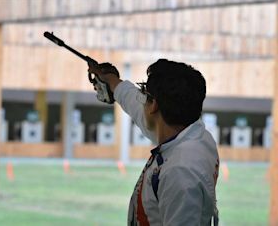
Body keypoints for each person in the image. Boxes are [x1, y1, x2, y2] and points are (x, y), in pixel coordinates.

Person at [89, 59, 220, 226]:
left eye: (144, 95)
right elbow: (139, 108)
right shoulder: (194, 135)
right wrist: (113, 83)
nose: (141, 99)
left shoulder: (180, 171)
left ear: (154, 106)